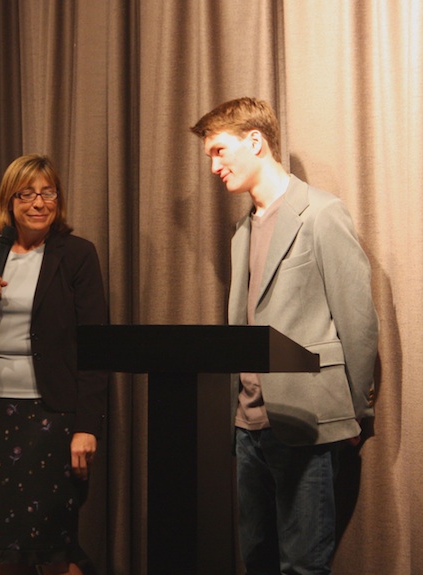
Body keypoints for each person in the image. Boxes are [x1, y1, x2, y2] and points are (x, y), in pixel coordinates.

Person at [190, 98, 379, 574]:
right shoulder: (240, 231)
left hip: (307, 423)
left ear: (255, 141)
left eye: (219, 151)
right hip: (247, 427)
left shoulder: (321, 213)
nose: (213, 166)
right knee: (256, 560)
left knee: (302, 565)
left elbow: (357, 322)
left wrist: (355, 414)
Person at [0, 154, 107, 575]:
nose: (39, 203)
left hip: (51, 418)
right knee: (3, 550)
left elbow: (95, 349)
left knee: (54, 548)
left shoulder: (76, 254)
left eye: (48, 192)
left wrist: (87, 426)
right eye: (27, 194)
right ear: (9, 201)